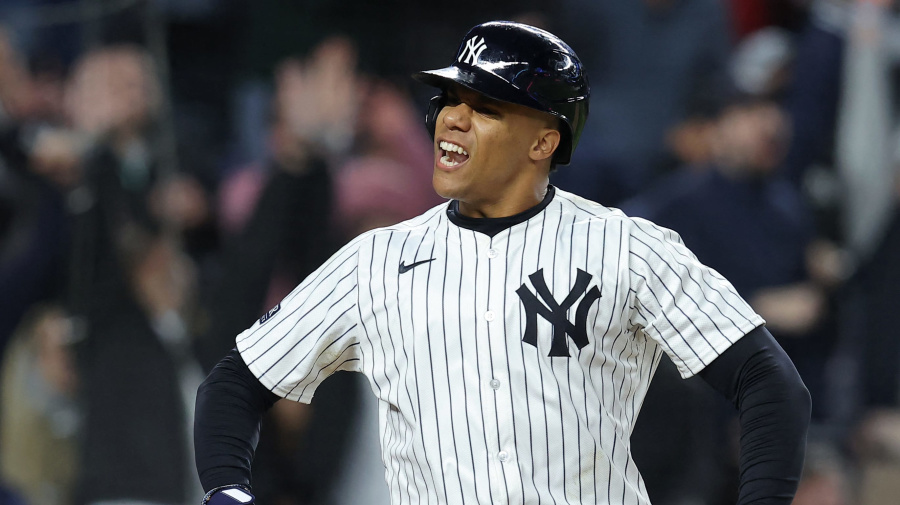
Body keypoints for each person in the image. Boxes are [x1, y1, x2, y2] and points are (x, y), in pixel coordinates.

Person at [194, 21, 811, 505]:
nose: (451, 119)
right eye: (448, 99)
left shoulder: (626, 248)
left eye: (485, 107)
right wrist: (230, 491)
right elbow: (233, 384)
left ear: (544, 140)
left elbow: (769, 384)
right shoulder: (375, 261)